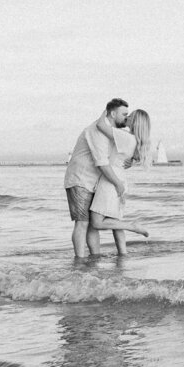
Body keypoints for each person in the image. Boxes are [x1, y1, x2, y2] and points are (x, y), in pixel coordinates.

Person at [64, 99, 130, 258]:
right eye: (124, 114)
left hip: (96, 182)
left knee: (93, 226)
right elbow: (101, 163)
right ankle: (79, 260)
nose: (126, 118)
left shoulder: (111, 131)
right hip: (80, 180)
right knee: (82, 223)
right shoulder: (97, 131)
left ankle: (94, 259)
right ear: (113, 114)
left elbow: (114, 159)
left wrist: (128, 162)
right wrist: (118, 183)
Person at [89, 108, 151, 255]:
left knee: (96, 222)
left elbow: (100, 126)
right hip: (121, 179)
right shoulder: (135, 140)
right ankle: (123, 255)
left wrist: (108, 109)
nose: (126, 117)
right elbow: (126, 161)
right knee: (115, 221)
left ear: (134, 121)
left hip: (110, 181)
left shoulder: (125, 137)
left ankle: (132, 226)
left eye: (129, 116)